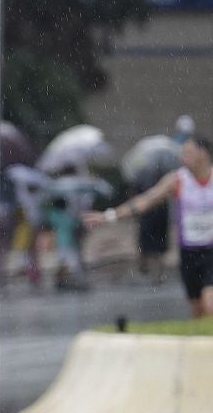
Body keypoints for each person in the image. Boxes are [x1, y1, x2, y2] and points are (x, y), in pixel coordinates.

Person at [90, 134, 213, 318]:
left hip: (211, 250)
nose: (183, 158)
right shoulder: (177, 180)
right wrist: (110, 215)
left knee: (209, 300)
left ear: (203, 154)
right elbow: (146, 200)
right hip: (189, 252)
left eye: (188, 153)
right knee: (197, 307)